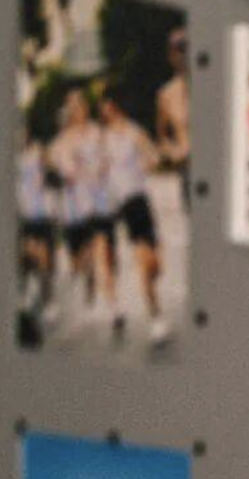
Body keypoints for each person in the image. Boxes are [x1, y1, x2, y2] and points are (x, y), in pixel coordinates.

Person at [99, 88, 169, 343]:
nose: (107, 112)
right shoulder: (103, 139)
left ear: (117, 106)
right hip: (117, 204)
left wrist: (147, 163)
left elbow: (154, 156)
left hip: (138, 200)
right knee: (139, 261)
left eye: (109, 106)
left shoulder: (133, 131)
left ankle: (151, 302)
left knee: (155, 265)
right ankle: (155, 319)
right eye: (103, 108)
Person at [49, 88, 112, 317]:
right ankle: (87, 274)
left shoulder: (96, 132)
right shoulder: (62, 139)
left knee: (97, 244)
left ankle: (96, 278)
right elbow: (56, 163)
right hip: (72, 209)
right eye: (72, 106)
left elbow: (106, 159)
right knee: (76, 261)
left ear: (85, 107)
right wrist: (67, 167)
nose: (76, 109)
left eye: (79, 104)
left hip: (95, 204)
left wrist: (100, 169)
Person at [17, 125, 55, 324]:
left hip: (41, 213)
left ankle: (48, 302)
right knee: (25, 258)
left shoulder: (37, 151)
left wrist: (46, 164)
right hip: (24, 216)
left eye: (22, 131)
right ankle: (25, 296)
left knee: (43, 260)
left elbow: (52, 170)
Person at [156, 28, 190, 206]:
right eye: (178, 49)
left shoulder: (214, 85)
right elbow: (162, 137)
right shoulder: (166, 94)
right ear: (171, 56)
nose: (183, 55)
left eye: (186, 48)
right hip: (188, 169)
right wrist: (174, 153)